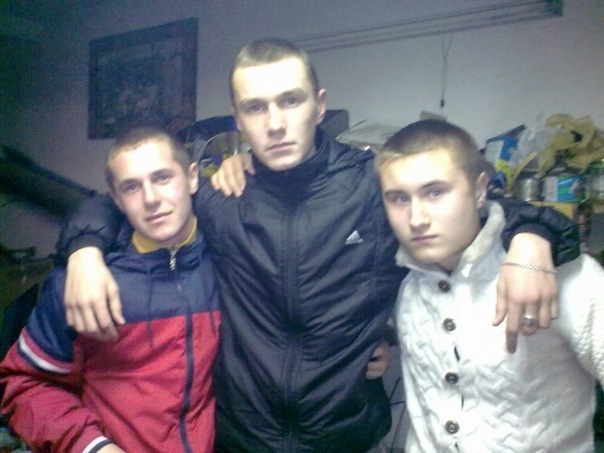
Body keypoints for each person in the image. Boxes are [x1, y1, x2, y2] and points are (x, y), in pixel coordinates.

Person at [57, 39, 579, 452]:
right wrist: (83, 252)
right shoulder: (221, 198)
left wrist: (531, 239)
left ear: (319, 105)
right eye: (256, 108)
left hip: (346, 437)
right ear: (238, 120)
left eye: (291, 100)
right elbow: (122, 201)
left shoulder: (373, 188)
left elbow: (481, 208)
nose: (275, 123)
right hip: (243, 439)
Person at [375, 119, 604, 452]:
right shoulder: (399, 278)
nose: (416, 219)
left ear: (480, 190)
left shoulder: (563, 276)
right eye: (398, 198)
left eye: (435, 192)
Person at [0, 127, 221, 452]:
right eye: (132, 187)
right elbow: (23, 384)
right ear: (116, 200)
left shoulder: (227, 260)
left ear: (191, 178)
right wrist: (92, 446)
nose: (151, 199)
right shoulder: (80, 283)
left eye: (162, 178)